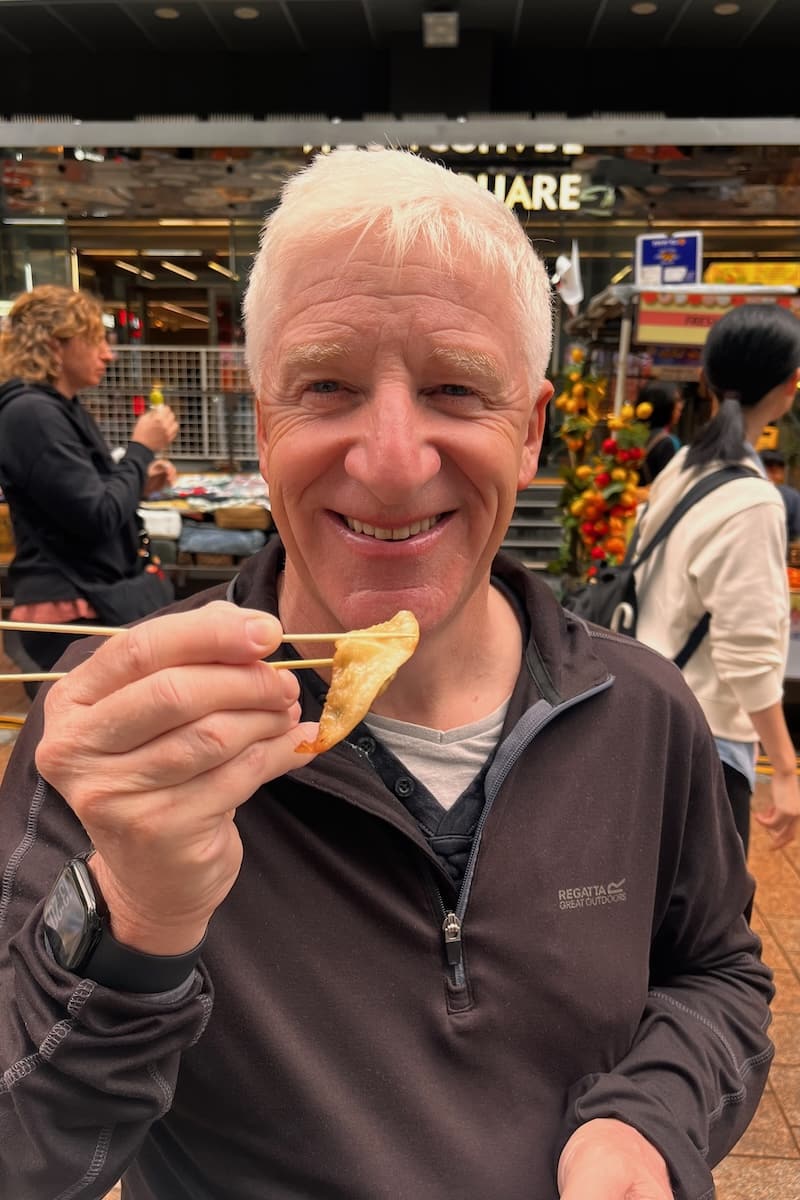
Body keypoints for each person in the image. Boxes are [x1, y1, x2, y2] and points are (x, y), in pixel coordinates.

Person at [0, 150, 774, 1200]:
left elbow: (714, 975)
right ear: (263, 418)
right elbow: (27, 1155)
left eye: (457, 388)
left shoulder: (641, 713)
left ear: (533, 427)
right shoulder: (123, 736)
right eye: (325, 386)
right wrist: (135, 913)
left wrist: (647, 1121)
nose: (393, 461)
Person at [636, 303, 800, 858]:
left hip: (651, 716)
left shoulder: (682, 471)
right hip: (708, 744)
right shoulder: (754, 500)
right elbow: (747, 653)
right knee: (711, 929)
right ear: (790, 386)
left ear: (704, 380)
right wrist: (786, 767)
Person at [0, 285, 179, 690]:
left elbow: (77, 501)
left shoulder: (55, 408)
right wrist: (140, 450)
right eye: (95, 339)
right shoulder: (33, 413)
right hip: (74, 607)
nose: (108, 353)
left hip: (87, 599)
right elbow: (95, 517)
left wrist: (137, 482)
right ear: (55, 345)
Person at [637, 380, 683, 485]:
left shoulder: (632, 434)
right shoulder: (667, 442)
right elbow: (671, 485)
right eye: (677, 400)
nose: (680, 406)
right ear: (664, 404)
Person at [760, 448, 800, 544]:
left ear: (782, 473)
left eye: (774, 471)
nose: (768, 477)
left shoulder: (791, 498)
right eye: (765, 471)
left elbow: (796, 536)